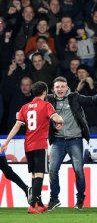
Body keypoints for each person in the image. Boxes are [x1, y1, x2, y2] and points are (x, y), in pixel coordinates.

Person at [0, 81, 64, 214]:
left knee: (35, 174)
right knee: (40, 175)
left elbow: (17, 126)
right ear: (45, 92)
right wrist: (60, 121)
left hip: (28, 145)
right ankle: (32, 205)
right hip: (40, 144)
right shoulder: (46, 105)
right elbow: (56, 118)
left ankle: (39, 204)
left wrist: (6, 142)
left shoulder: (25, 107)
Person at [47, 76, 97, 211]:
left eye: (62, 86)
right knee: (52, 170)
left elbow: (91, 101)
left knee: (78, 171)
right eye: (57, 87)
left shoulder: (74, 97)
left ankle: (80, 200)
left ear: (67, 87)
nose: (60, 89)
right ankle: (54, 199)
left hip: (75, 140)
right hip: (58, 141)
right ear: (53, 89)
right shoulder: (49, 100)